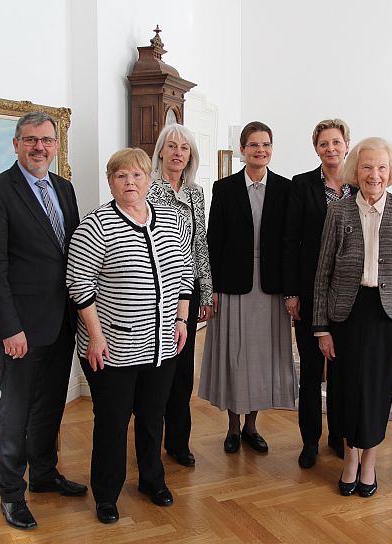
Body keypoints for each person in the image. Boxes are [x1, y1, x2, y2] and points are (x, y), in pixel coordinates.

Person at [66, 148, 193, 524]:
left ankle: (152, 479)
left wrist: (182, 321)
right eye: (121, 177)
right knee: (112, 420)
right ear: (111, 182)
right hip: (113, 347)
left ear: (149, 179)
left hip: (162, 344)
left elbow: (185, 275)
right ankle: (106, 493)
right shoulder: (96, 225)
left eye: (137, 176)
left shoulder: (171, 220)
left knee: (153, 416)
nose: (130, 183)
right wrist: (95, 336)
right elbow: (79, 285)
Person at [0, 112, 85, 530]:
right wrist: (9, 328)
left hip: (61, 321)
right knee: (15, 411)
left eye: (47, 140)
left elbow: (71, 255)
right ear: (16, 144)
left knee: (51, 404)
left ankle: (44, 474)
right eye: (31, 140)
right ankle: (12, 494)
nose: (40, 147)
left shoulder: (65, 189)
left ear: (56, 146)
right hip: (20, 327)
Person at [313, 137, 392, 497]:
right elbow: (323, 272)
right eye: (366, 166)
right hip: (347, 314)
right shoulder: (339, 211)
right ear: (355, 170)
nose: (373, 175)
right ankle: (349, 459)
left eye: (380, 167)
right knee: (345, 389)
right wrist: (321, 328)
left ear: (389, 171)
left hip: (389, 316)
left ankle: (369, 463)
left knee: (378, 391)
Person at [200, 121, 296, 454]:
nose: (260, 151)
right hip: (233, 285)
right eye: (253, 145)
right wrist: (209, 286)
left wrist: (290, 289)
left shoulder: (285, 188)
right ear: (242, 150)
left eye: (265, 144)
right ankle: (232, 427)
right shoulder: (223, 188)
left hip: (269, 287)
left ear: (272, 148)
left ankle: (252, 426)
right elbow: (214, 240)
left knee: (261, 358)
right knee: (235, 357)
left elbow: (289, 243)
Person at [283, 119, 354, 467]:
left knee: (342, 372)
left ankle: (338, 435)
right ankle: (310, 440)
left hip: (350, 298)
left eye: (336, 142)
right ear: (316, 149)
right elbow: (290, 241)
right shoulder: (302, 186)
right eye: (324, 143)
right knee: (311, 371)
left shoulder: (359, 185)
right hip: (310, 292)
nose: (331, 149)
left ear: (346, 145)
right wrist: (291, 293)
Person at [148, 124, 214, 468]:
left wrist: (207, 289)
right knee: (158, 372)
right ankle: (149, 446)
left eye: (184, 148)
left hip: (187, 291)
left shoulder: (195, 193)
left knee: (182, 373)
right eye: (171, 146)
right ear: (160, 151)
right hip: (154, 291)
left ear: (190, 155)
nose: (177, 152)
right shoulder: (146, 187)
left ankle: (178, 442)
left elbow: (199, 244)